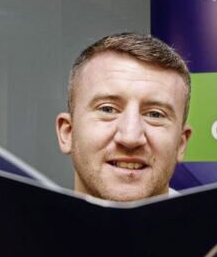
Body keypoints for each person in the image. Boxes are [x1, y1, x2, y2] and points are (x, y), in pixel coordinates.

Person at [55, 33, 192, 202]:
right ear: (67, 132)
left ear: (181, 144)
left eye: (155, 114)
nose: (130, 137)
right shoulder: (21, 227)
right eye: (108, 109)